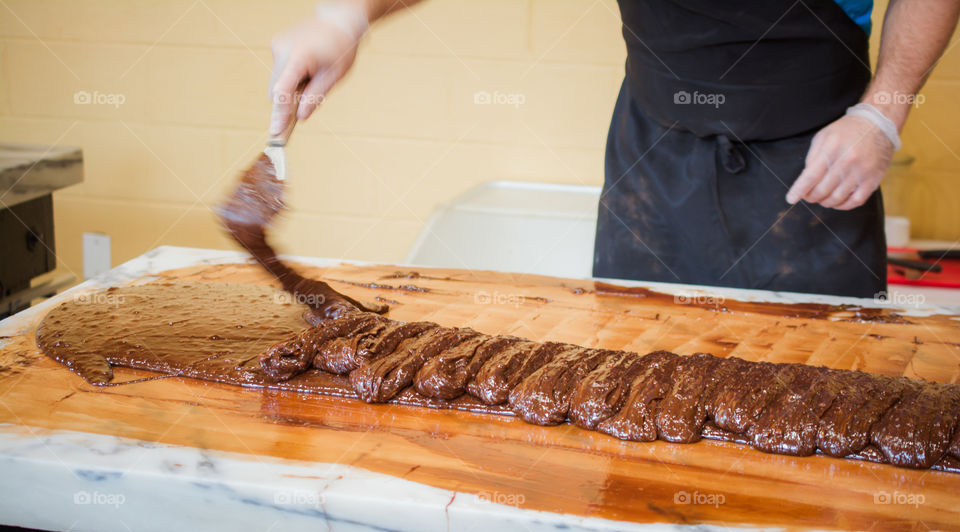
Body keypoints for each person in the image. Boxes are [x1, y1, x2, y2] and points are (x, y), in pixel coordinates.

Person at [269, 0, 960, 298]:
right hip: (652, 156)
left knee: (819, 397)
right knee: (632, 386)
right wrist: (345, 15)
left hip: (816, 160)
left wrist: (882, 114)